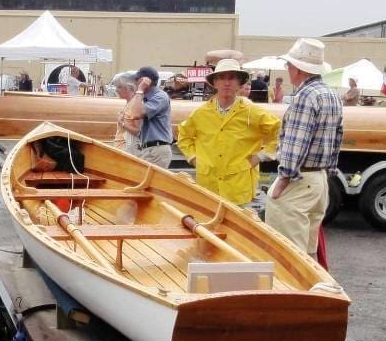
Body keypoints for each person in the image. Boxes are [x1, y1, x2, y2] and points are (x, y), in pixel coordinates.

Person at [265, 38, 343, 255]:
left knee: (288, 253)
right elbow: (338, 136)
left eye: (289, 65)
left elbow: (295, 143)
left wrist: (283, 179)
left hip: (299, 180)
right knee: (309, 253)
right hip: (319, 181)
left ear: (298, 69)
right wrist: (329, 172)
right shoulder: (331, 95)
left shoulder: (304, 97)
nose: (288, 69)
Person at [177, 58, 280, 206]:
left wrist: (262, 156)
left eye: (231, 78)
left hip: (238, 185)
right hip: (208, 185)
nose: (227, 82)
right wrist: (194, 159)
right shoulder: (201, 113)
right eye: (222, 78)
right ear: (215, 82)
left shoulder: (252, 112)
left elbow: (278, 131)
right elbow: (184, 136)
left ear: (239, 83)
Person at [133, 66, 173, 168]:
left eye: (136, 80)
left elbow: (136, 114)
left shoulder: (160, 97)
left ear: (145, 81)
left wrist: (140, 90)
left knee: (151, 183)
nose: (135, 83)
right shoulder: (147, 98)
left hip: (156, 149)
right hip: (150, 149)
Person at [110, 71, 143, 155]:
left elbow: (137, 131)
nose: (117, 90)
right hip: (121, 147)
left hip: (127, 149)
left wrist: (122, 123)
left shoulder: (134, 104)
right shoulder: (129, 103)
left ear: (128, 88)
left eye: (119, 87)